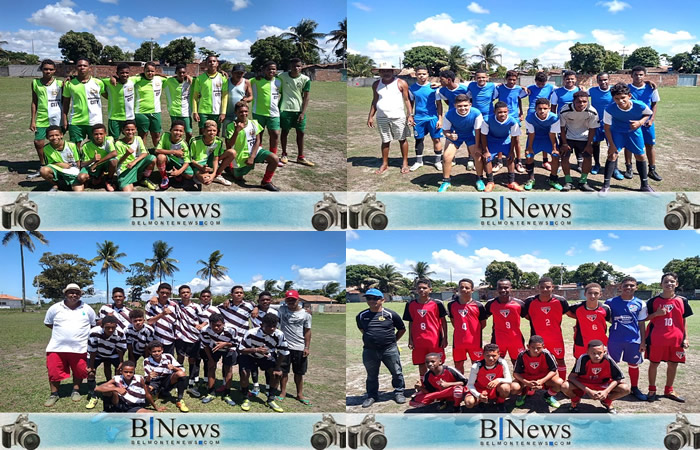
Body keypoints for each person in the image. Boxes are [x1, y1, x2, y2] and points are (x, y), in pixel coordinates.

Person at [43, 283, 97, 407]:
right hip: (57, 347)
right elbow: (48, 323)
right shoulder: (55, 308)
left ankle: (76, 390)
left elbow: (93, 324)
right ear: (65, 294)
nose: (74, 295)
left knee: (79, 371)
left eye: (77, 293)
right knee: (54, 372)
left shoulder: (87, 308)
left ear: (80, 294)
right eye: (71, 292)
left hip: (80, 348)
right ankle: (54, 394)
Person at [645, 272, 693, 402]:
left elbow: (683, 320)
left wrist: (686, 338)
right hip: (657, 339)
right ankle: (652, 390)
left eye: (672, 281)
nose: (669, 284)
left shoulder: (682, 300)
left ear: (676, 284)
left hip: (676, 339)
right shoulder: (653, 301)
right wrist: (656, 314)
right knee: (654, 364)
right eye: (666, 281)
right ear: (661, 284)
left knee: (673, 364)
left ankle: (669, 390)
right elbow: (644, 318)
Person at [356, 288, 406, 408]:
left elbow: (402, 329)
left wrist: (392, 341)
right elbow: (363, 330)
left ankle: (399, 392)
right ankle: (372, 395)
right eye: (369, 298)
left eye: (375, 298)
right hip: (369, 350)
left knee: (396, 372)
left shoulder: (391, 314)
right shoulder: (361, 316)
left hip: (389, 349)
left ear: (382, 300)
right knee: (371, 375)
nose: (372, 301)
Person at [601, 82, 654, 194]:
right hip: (617, 132)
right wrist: (611, 145)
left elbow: (648, 114)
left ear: (629, 96)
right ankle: (605, 186)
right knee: (612, 155)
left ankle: (644, 185)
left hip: (634, 132)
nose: (620, 101)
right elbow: (607, 128)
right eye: (617, 98)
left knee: (640, 155)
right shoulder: (609, 109)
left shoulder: (639, 105)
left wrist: (640, 122)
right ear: (613, 98)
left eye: (623, 98)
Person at [604, 276, 649, 401]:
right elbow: (605, 317)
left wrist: (643, 342)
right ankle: (610, 387)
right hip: (615, 339)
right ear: (620, 287)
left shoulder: (641, 303)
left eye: (631, 285)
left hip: (634, 340)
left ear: (636, 287)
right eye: (625, 285)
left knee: (633, 365)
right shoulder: (610, 302)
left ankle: (634, 388)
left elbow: (641, 323)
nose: (628, 287)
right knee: (611, 364)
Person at [238, 313, 290, 413]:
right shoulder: (251, 333)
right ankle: (245, 398)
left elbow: (283, 352)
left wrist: (277, 367)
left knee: (276, 374)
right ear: (261, 325)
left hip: (266, 356)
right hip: (249, 355)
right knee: (244, 373)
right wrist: (256, 350)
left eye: (274, 326)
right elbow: (241, 350)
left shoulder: (279, 334)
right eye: (268, 326)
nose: (271, 329)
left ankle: (270, 399)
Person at [367, 62, 413, 174]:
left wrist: (410, 115)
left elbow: (407, 100)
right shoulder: (376, 84)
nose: (385, 73)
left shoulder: (401, 83)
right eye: (383, 71)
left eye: (388, 70)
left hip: (398, 117)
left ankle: (405, 163)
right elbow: (375, 100)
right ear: (380, 72)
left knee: (402, 139)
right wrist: (370, 116)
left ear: (392, 71)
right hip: (382, 117)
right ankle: (384, 163)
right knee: (385, 140)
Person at [225, 100, 281, 191]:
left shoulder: (254, 123)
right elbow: (230, 144)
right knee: (238, 178)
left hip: (255, 151)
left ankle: (266, 182)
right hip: (240, 156)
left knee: (274, 158)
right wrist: (237, 131)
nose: (244, 114)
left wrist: (252, 156)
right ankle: (230, 168)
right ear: (236, 112)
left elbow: (258, 140)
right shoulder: (231, 126)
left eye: (246, 111)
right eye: (241, 112)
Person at [562, 340, 630, 414]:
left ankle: (607, 401)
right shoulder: (583, 359)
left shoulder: (608, 360)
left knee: (625, 389)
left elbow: (618, 378)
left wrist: (606, 391)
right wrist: (588, 391)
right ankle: (575, 400)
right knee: (565, 386)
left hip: (602, 384)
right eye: (593, 353)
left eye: (599, 353)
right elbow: (571, 377)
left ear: (604, 351)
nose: (596, 356)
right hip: (585, 383)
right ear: (587, 352)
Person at [523, 277, 569, 382]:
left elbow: (570, 313)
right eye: (542, 287)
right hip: (537, 339)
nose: (545, 289)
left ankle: (562, 382)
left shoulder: (561, 301)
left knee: (560, 360)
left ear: (553, 287)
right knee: (535, 360)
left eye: (548, 287)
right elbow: (527, 315)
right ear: (538, 288)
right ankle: (533, 384)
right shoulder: (530, 301)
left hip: (556, 338)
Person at [402, 279, 448, 378]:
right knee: (421, 363)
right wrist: (410, 339)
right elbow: (411, 322)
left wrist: (444, 338)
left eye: (424, 288)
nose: (422, 290)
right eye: (419, 288)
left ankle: (438, 382)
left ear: (430, 290)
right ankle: (424, 384)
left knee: (437, 363)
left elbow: (443, 322)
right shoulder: (410, 304)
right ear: (416, 290)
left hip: (435, 340)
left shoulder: (437, 303)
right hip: (419, 340)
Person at [437, 94, 483, 192]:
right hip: (456, 135)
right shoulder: (449, 114)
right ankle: (446, 181)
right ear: (455, 105)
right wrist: (449, 135)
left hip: (471, 135)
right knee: (446, 157)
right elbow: (445, 130)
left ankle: (479, 179)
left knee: (478, 156)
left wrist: (478, 146)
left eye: (465, 105)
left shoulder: (476, 113)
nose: (463, 108)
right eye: (460, 106)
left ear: (470, 104)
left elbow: (478, 130)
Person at [558, 91, 600, 191]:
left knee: (588, 158)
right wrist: (564, 143)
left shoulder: (592, 111)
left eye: (584, 101)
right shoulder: (565, 110)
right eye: (579, 102)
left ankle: (583, 181)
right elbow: (562, 128)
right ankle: (568, 181)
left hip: (584, 138)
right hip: (568, 137)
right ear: (573, 101)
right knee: (564, 157)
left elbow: (592, 129)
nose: (582, 104)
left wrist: (589, 144)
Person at [278, 289, 313, 406]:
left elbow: (308, 331)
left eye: (293, 299)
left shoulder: (306, 314)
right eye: (288, 299)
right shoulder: (282, 309)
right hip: (284, 347)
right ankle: (282, 392)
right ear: (285, 300)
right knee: (283, 372)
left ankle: (299, 394)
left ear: (298, 300)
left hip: (299, 347)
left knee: (299, 373)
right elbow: (264, 304)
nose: (291, 302)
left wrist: (307, 347)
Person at [29, 59, 62, 178]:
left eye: (51, 69)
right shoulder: (35, 83)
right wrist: (32, 120)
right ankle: (43, 165)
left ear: (54, 70)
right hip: (42, 117)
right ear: (41, 69)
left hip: (57, 117)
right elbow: (34, 102)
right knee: (38, 142)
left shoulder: (60, 83)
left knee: (56, 141)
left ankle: (57, 165)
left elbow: (65, 100)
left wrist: (64, 117)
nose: (48, 71)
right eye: (45, 69)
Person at [85, 315, 127, 409]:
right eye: (108, 328)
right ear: (102, 326)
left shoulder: (120, 333)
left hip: (112, 353)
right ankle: (93, 394)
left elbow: (120, 349)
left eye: (113, 327)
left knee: (121, 371)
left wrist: (121, 362)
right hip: (97, 354)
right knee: (90, 373)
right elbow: (93, 350)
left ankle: (118, 391)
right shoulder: (94, 332)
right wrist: (91, 367)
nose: (111, 330)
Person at [279, 58, 314, 166]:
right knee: (285, 132)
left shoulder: (305, 79)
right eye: (294, 66)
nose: (296, 68)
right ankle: (284, 154)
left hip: (299, 110)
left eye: (298, 66)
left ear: (302, 66)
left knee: (301, 133)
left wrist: (302, 113)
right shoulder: (281, 76)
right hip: (285, 109)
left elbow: (306, 97)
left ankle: (301, 157)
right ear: (290, 66)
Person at [480, 101, 523, 192]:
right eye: (499, 112)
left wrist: (511, 151)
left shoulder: (512, 121)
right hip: (491, 141)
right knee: (487, 159)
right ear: (494, 112)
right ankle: (490, 182)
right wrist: (486, 151)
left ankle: (511, 181)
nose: (502, 114)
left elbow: (514, 137)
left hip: (505, 141)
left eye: (505, 112)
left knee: (510, 158)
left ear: (508, 111)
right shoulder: (487, 120)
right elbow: (483, 136)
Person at [61, 57, 104, 147]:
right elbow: (65, 103)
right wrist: (64, 119)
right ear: (76, 67)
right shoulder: (69, 84)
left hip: (95, 120)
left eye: (85, 65)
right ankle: (78, 161)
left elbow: (108, 95)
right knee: (75, 147)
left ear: (89, 67)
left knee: (96, 145)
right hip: (76, 121)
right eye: (79, 65)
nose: (82, 67)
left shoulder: (98, 82)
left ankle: (94, 161)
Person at [511, 335, 563, 409]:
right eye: (533, 347)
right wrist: (526, 382)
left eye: (538, 348)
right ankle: (523, 394)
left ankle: (548, 396)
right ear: (528, 346)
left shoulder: (546, 353)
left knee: (559, 383)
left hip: (543, 377)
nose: (536, 350)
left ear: (543, 346)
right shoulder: (522, 355)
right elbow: (515, 373)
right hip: (527, 377)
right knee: (514, 387)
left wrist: (542, 381)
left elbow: (554, 370)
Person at [629, 66, 662, 181]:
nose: (638, 77)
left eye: (641, 75)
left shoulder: (651, 88)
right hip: (632, 121)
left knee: (649, 145)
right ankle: (629, 168)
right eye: (636, 74)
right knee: (629, 145)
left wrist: (651, 119)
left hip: (647, 122)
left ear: (645, 76)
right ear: (631, 75)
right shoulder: (627, 88)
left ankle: (652, 170)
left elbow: (654, 104)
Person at [447, 278, 487, 374]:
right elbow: (454, 322)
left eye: (467, 288)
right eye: (461, 287)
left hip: (475, 342)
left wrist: (472, 331)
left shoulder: (479, 306)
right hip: (458, 341)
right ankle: (461, 385)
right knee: (458, 365)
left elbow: (483, 324)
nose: (464, 289)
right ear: (458, 289)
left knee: (477, 364)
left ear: (472, 290)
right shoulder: (451, 305)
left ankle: (477, 384)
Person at [199, 313, 239, 408]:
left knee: (228, 369)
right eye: (213, 325)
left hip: (229, 349)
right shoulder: (205, 330)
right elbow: (206, 345)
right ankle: (211, 392)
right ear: (209, 324)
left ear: (223, 324)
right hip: (214, 348)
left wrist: (225, 344)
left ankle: (227, 394)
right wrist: (210, 359)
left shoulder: (232, 329)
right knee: (211, 367)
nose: (216, 328)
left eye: (219, 325)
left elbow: (236, 344)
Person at [408, 65, 443, 171]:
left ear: (428, 75)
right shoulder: (412, 88)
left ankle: (438, 161)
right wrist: (410, 116)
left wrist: (440, 119)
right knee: (418, 139)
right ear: (415, 75)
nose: (421, 76)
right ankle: (419, 161)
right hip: (418, 118)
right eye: (419, 74)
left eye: (424, 74)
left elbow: (439, 104)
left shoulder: (434, 88)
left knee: (436, 139)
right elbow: (411, 103)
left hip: (433, 118)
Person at [95, 360, 164, 413]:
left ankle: (120, 426)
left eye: (131, 372)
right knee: (109, 387)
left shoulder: (139, 379)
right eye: (126, 372)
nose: (128, 374)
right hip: (120, 404)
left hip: (134, 406)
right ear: (121, 371)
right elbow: (97, 388)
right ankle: (106, 411)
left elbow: (147, 394)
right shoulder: (117, 378)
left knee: (149, 415)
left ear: (134, 372)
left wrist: (156, 407)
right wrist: (116, 389)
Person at [484, 279, 526, 364]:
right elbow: (483, 317)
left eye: (506, 288)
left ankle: (518, 378)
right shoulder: (491, 304)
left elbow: (529, 317)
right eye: (500, 288)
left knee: (518, 363)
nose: (503, 290)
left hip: (515, 338)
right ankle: (499, 378)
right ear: (497, 289)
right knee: (496, 363)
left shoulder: (519, 304)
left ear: (511, 288)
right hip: (498, 339)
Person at [523, 98, 562, 191]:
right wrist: (529, 147)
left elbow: (552, 133)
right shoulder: (530, 118)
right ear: (535, 109)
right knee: (529, 156)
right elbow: (531, 133)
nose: (542, 111)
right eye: (539, 108)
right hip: (535, 138)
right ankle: (531, 179)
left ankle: (553, 179)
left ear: (549, 108)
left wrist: (554, 148)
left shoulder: (554, 118)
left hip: (548, 138)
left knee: (555, 156)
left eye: (545, 108)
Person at [39, 125, 90, 191]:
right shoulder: (46, 149)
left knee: (78, 193)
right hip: (60, 171)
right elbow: (49, 164)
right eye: (51, 136)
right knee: (43, 170)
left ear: (61, 135)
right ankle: (56, 184)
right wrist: (60, 164)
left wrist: (79, 176)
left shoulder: (72, 145)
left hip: (73, 172)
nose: (54, 137)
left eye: (57, 135)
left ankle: (74, 183)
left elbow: (78, 161)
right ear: (47, 137)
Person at [566, 283, 611, 359]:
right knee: (580, 362)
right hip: (581, 341)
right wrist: (580, 318)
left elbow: (609, 320)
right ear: (585, 294)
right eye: (590, 293)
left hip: (600, 342)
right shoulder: (577, 306)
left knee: (600, 362)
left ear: (600, 294)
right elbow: (566, 311)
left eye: (596, 293)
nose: (592, 296)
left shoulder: (605, 308)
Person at [143, 340, 189, 412]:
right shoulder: (147, 361)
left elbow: (182, 371)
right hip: (155, 381)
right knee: (146, 391)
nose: (157, 353)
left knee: (180, 374)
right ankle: (156, 392)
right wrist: (149, 376)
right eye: (154, 351)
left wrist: (174, 368)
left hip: (167, 379)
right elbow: (146, 379)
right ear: (150, 352)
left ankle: (180, 400)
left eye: (159, 351)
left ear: (162, 350)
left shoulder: (168, 357)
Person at [464, 343, 512, 412]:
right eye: (488, 355)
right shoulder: (477, 366)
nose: (491, 358)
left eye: (494, 356)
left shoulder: (502, 362)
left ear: (499, 354)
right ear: (483, 355)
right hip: (480, 389)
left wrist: (498, 380)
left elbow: (509, 379)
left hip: (494, 389)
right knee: (469, 403)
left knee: (505, 387)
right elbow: (470, 385)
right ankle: (480, 401)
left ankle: (500, 403)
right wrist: (478, 395)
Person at [495, 70, 528, 172]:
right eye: (510, 79)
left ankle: (519, 161)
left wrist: (521, 112)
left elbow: (519, 100)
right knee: (501, 138)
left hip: (514, 117)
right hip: (502, 116)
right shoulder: (500, 88)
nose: (512, 82)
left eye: (514, 80)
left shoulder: (518, 89)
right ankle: (499, 161)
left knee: (516, 139)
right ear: (506, 79)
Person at [466, 69, 498, 170]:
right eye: (479, 77)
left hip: (489, 116)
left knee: (488, 137)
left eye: (483, 77)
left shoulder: (492, 86)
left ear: (487, 78)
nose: (481, 79)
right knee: (473, 137)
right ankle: (471, 158)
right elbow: (468, 98)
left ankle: (488, 157)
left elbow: (496, 95)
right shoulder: (471, 86)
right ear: (475, 78)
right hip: (475, 116)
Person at [250, 61, 282, 161]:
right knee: (258, 135)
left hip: (274, 113)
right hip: (258, 112)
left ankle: (273, 156)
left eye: (273, 69)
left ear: (276, 70)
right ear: (264, 70)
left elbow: (284, 93)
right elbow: (242, 81)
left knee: (275, 134)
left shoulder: (279, 81)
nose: (271, 71)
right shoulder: (255, 80)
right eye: (269, 69)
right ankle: (258, 153)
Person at [190, 289, 220, 396]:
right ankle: (195, 382)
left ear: (211, 298)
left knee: (208, 361)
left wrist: (204, 324)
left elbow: (217, 321)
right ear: (200, 298)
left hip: (208, 340)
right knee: (196, 361)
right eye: (203, 296)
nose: (205, 298)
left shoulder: (215, 309)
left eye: (208, 296)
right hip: (196, 338)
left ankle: (207, 381)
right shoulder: (195, 307)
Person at [189, 120, 235, 187]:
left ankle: (217, 175)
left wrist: (213, 173)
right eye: (209, 130)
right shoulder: (194, 141)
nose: (212, 133)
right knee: (206, 181)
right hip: (198, 164)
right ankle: (199, 174)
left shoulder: (218, 141)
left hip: (210, 161)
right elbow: (190, 159)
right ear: (204, 131)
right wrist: (201, 167)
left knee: (232, 152)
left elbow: (215, 159)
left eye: (214, 130)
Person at [250, 291, 279, 396]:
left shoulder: (275, 312)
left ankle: (267, 387)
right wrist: (256, 307)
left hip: (269, 342)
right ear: (259, 301)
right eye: (263, 300)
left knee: (269, 367)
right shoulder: (253, 311)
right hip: (255, 342)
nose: (265, 301)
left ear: (271, 301)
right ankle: (256, 386)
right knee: (254, 366)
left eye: (267, 300)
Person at [524, 71, 554, 172]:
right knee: (532, 135)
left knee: (546, 136)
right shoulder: (531, 88)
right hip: (532, 116)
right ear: (535, 81)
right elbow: (518, 90)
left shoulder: (550, 87)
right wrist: (523, 88)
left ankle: (545, 160)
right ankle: (529, 157)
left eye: (543, 84)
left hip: (545, 114)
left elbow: (560, 90)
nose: (541, 86)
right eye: (539, 83)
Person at [114, 120, 157, 191]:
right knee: (127, 193)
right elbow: (117, 162)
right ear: (123, 130)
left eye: (132, 129)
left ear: (136, 129)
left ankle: (143, 178)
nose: (130, 132)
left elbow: (145, 153)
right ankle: (127, 181)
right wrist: (126, 154)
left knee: (152, 158)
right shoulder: (118, 143)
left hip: (136, 164)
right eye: (127, 130)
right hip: (125, 170)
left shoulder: (138, 139)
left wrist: (134, 162)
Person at [192, 55, 228, 135]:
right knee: (202, 134)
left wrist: (223, 112)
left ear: (217, 63)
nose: (212, 63)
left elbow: (225, 97)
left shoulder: (223, 78)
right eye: (209, 61)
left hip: (217, 111)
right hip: (203, 111)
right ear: (206, 64)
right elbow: (195, 97)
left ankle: (215, 148)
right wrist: (195, 111)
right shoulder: (200, 78)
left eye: (214, 61)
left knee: (215, 134)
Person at [132, 62, 165, 148]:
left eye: (152, 71)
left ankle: (158, 153)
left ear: (155, 71)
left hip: (156, 112)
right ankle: (142, 155)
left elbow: (174, 78)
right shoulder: (137, 79)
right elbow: (125, 79)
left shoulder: (159, 79)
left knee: (156, 135)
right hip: (141, 112)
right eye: (148, 71)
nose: (150, 73)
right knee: (142, 135)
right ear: (144, 71)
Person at [155, 120, 194, 190]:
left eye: (180, 131)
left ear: (183, 132)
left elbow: (187, 161)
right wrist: (174, 152)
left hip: (178, 163)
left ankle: (177, 174)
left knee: (190, 175)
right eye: (175, 130)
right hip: (168, 160)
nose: (178, 133)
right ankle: (164, 178)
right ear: (171, 130)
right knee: (160, 157)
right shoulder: (165, 136)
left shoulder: (183, 145)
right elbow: (157, 150)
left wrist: (179, 172)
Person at [101, 63, 136, 140]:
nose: (124, 75)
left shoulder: (133, 80)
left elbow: (144, 74)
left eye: (127, 73)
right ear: (117, 73)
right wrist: (112, 77)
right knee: (113, 139)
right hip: (114, 117)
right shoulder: (109, 82)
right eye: (122, 73)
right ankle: (115, 151)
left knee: (129, 138)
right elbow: (97, 80)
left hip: (129, 117)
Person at [174, 285, 203, 376]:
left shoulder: (196, 306)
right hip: (180, 336)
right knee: (180, 357)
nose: (185, 294)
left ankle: (192, 379)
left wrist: (201, 325)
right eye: (183, 292)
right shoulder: (176, 305)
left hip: (193, 336)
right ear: (179, 294)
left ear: (190, 294)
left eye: (187, 292)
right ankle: (179, 377)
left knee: (192, 359)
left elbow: (204, 319)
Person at [81, 123, 118, 191]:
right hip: (94, 167)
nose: (99, 136)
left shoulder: (109, 140)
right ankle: (95, 177)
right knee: (81, 178)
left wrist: (97, 163)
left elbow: (114, 153)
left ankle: (109, 180)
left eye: (101, 134)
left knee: (113, 161)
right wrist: (93, 160)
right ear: (92, 135)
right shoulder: (86, 146)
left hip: (104, 164)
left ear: (105, 134)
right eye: (96, 134)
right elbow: (82, 164)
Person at [146, 283, 180, 355]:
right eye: (162, 293)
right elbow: (150, 321)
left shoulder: (174, 305)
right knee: (155, 362)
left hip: (169, 339)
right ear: (157, 292)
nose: (164, 295)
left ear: (170, 293)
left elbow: (176, 322)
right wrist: (162, 314)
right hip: (155, 338)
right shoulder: (150, 304)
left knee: (168, 361)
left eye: (167, 293)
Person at [163, 64, 194, 143]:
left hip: (186, 112)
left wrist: (221, 71)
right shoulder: (169, 81)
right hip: (174, 111)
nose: (182, 74)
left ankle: (188, 148)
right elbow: (159, 76)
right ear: (176, 72)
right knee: (175, 133)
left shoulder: (190, 81)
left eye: (184, 72)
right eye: (179, 72)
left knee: (189, 133)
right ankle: (174, 147)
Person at [222, 64, 253, 137]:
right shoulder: (226, 81)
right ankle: (228, 149)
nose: (239, 75)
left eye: (241, 73)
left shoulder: (246, 82)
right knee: (228, 136)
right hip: (227, 114)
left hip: (240, 114)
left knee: (240, 135)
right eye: (237, 73)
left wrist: (246, 99)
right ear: (232, 73)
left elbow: (251, 96)